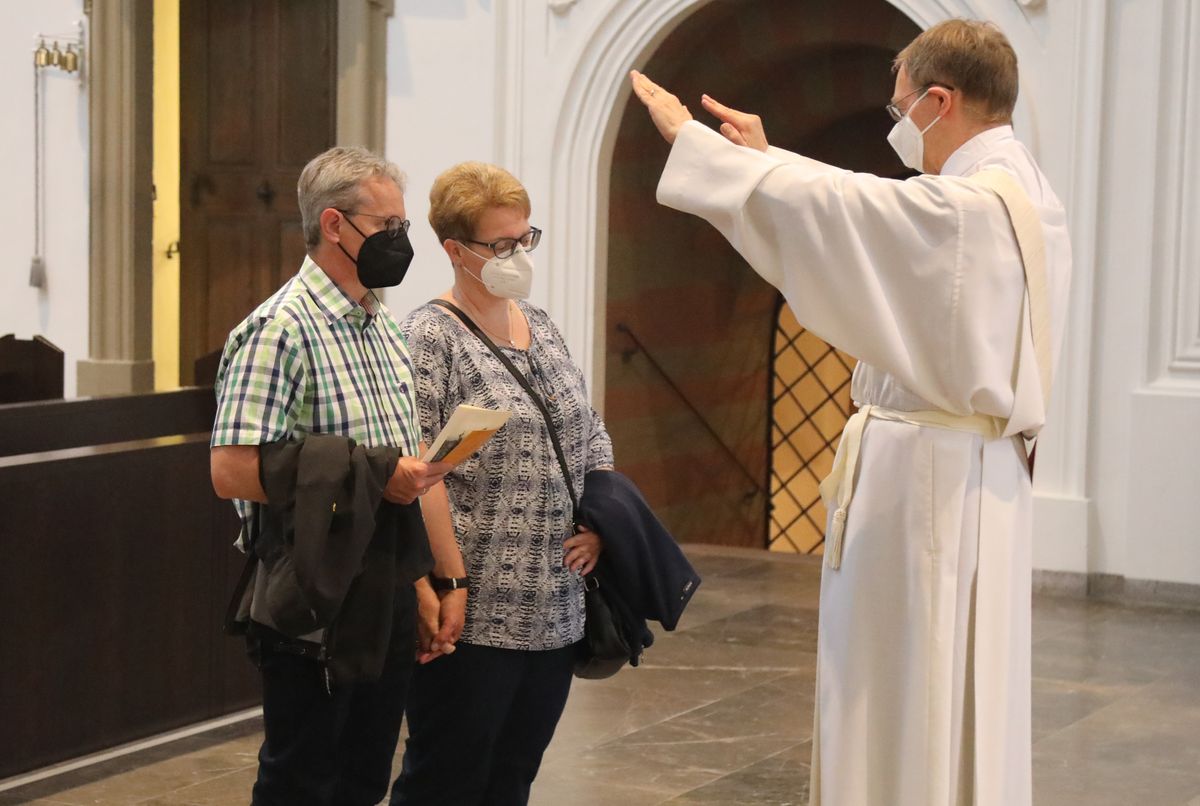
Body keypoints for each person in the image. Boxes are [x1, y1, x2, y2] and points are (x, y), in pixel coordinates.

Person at [631, 18, 1071, 806]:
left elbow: (864, 215)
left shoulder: (967, 209)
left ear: (942, 100)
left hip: (926, 482)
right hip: (976, 474)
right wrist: (766, 162)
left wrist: (711, 157)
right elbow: (871, 215)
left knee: (901, 682)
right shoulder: (1022, 191)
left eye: (902, 109)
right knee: (951, 679)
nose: (898, 126)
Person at [209, 145, 455, 806]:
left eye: (405, 228)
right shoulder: (278, 331)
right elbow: (231, 471)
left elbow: (402, 460)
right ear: (334, 225)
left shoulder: (383, 329)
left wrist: (423, 584)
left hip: (385, 576)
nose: (401, 243)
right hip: (314, 584)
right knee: (303, 779)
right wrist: (371, 476)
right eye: (387, 228)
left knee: (363, 774)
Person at [390, 161, 614, 805]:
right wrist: (451, 581)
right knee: (444, 779)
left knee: (512, 778)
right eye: (500, 244)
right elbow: (423, 472)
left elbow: (587, 432)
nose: (517, 255)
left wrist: (599, 521)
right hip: (477, 610)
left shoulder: (539, 326)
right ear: (455, 250)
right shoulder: (430, 337)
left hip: (555, 604)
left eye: (524, 239)